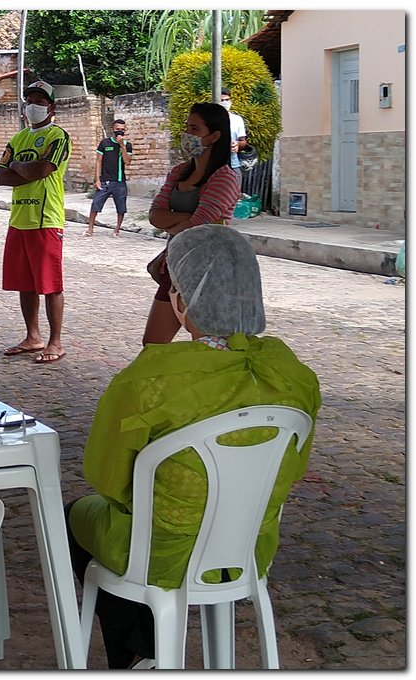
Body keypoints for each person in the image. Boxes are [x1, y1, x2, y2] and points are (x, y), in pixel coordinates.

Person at [66, 225, 321, 668]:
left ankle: (138, 653)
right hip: (248, 547)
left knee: (75, 515)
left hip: (160, 555)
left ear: (182, 302)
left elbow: (107, 478)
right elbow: (293, 469)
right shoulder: (293, 376)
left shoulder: (149, 380)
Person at [142, 102, 241, 346]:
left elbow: (197, 225)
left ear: (214, 136)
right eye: (187, 127)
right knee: (153, 345)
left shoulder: (225, 177)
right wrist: (186, 220)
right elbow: (155, 216)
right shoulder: (179, 172)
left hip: (208, 270)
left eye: (195, 129)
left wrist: (179, 220)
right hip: (175, 265)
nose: (187, 134)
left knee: (209, 345)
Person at [0, 79, 72, 364]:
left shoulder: (58, 136)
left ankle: (55, 342)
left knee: (50, 284)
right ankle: (33, 337)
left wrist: (17, 166)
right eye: (29, 101)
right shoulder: (17, 139)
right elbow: (1, 177)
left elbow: (43, 170)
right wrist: (24, 169)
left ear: (51, 107)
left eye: (40, 102)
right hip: (19, 218)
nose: (33, 106)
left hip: (46, 219)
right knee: (24, 282)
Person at [84, 118, 132, 237]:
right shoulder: (105, 143)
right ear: (112, 129)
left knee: (121, 207)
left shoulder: (127, 145)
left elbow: (127, 162)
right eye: (117, 129)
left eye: (122, 130)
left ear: (125, 130)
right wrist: (97, 179)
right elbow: (98, 161)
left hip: (119, 181)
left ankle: (117, 229)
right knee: (95, 204)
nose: (119, 131)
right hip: (104, 180)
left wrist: (122, 146)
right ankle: (90, 229)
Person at [221, 87, 248, 178]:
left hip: (233, 164)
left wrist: (238, 145)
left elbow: (243, 141)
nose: (225, 103)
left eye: (227, 100)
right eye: (222, 100)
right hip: (213, 165)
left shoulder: (237, 119)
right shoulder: (209, 119)